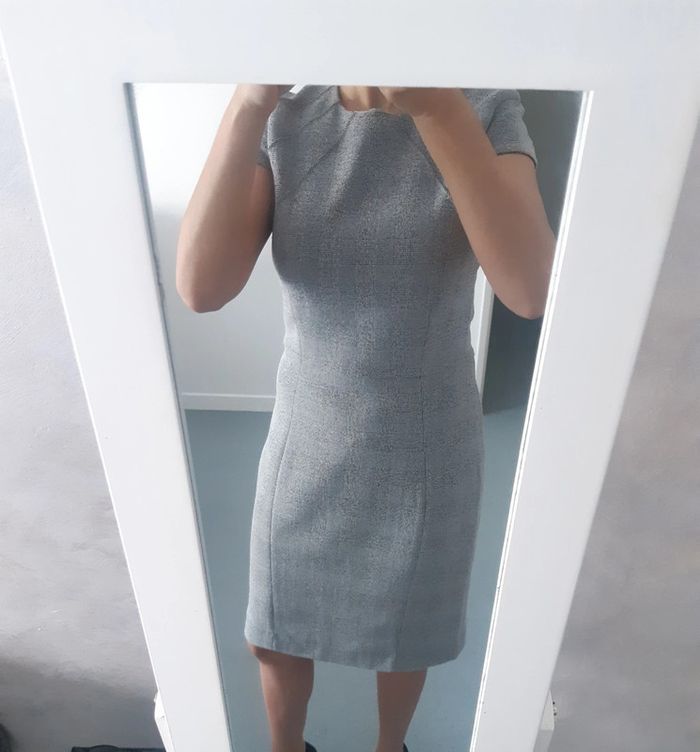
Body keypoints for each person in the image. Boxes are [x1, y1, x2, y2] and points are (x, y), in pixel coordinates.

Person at [176, 83, 556, 752]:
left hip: (426, 439)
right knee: (274, 632)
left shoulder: (486, 107)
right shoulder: (289, 116)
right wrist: (247, 103)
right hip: (308, 429)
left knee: (405, 634)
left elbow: (528, 290)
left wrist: (437, 107)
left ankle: (390, 747)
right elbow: (202, 287)